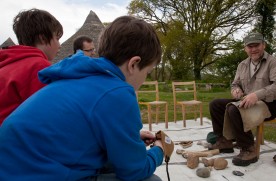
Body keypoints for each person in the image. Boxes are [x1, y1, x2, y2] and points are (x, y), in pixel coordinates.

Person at [0, 16, 164, 181]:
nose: (144, 80)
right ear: (134, 64)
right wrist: (159, 150)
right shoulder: (117, 92)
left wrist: (130, 139)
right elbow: (134, 170)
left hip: (14, 167)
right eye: (147, 72)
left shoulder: (76, 76)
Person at [208, 32, 276, 166]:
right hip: (246, 101)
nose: (253, 49)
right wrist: (236, 90)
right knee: (215, 104)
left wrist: (257, 95)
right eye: (249, 46)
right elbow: (235, 83)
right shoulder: (242, 65)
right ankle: (225, 141)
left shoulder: (273, 62)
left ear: (263, 45)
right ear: (245, 48)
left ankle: (248, 148)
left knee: (234, 109)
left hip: (268, 104)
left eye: (256, 45)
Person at [0, 8, 63, 125]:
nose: (59, 45)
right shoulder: (38, 66)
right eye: (57, 39)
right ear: (43, 38)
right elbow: (47, 113)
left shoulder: (6, 65)